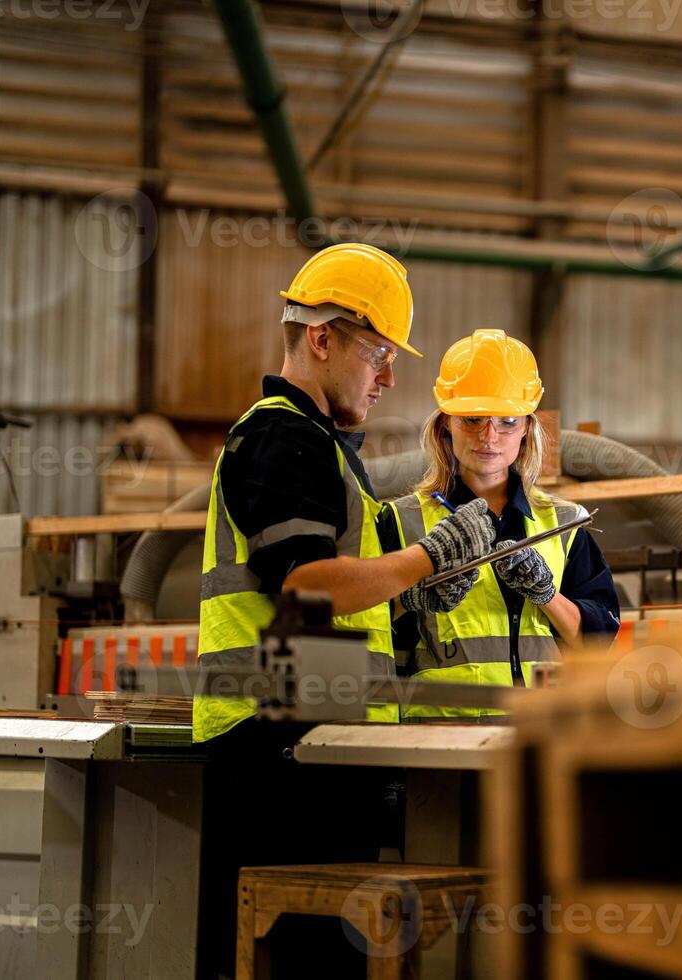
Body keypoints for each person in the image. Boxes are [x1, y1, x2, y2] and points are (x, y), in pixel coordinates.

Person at [192, 243, 495, 978]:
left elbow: (343, 600)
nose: (391, 378)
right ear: (321, 338)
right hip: (275, 752)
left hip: (311, 745)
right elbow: (309, 585)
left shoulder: (324, 449)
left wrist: (418, 588)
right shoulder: (278, 435)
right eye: (378, 355)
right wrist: (424, 562)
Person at [385, 329, 620, 718]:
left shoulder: (562, 523)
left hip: (540, 737)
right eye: (473, 419)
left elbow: (598, 641)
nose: (489, 436)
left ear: (528, 427)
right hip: (438, 741)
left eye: (508, 421)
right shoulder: (402, 521)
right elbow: (359, 628)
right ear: (447, 423)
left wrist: (548, 596)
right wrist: (408, 598)